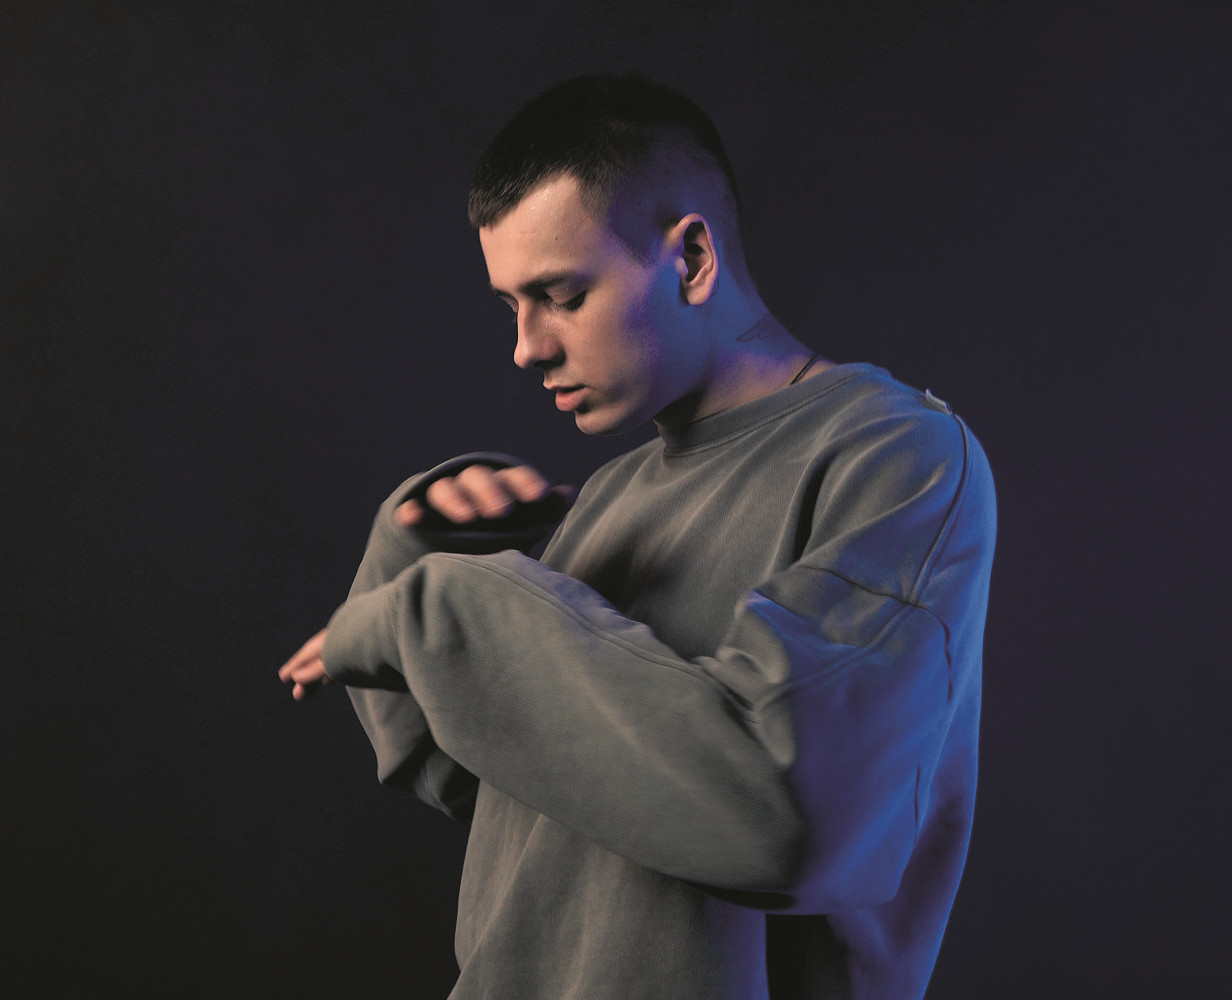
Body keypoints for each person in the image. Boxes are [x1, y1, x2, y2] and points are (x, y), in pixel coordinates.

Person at [279, 73, 996, 1000]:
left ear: (691, 258)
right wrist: (413, 553)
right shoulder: (610, 492)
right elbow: (496, 783)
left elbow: (780, 815)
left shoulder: (898, 455)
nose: (527, 347)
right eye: (512, 306)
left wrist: (445, 607)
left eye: (562, 294)